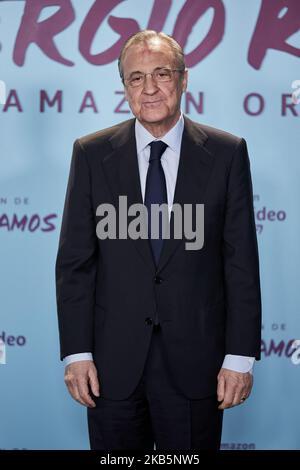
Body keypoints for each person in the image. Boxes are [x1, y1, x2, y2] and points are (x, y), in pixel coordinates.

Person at [55, 30, 261, 451]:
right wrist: (77, 354)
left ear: (183, 80)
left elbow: (240, 263)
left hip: (197, 366)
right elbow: (76, 264)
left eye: (161, 74)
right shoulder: (91, 153)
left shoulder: (227, 153)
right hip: (111, 369)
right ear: (125, 86)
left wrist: (239, 358)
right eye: (136, 78)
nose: (149, 89)